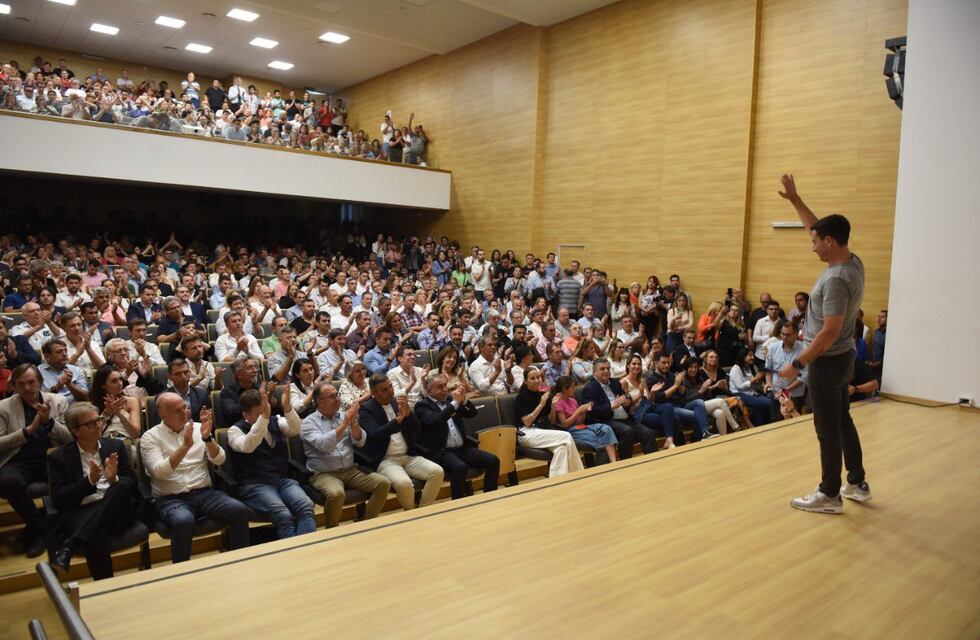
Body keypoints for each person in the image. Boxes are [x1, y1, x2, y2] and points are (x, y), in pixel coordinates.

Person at [777, 174, 869, 514]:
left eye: (815, 241)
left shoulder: (835, 280)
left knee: (827, 428)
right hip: (842, 357)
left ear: (830, 242)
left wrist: (798, 362)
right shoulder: (851, 261)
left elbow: (828, 331)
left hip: (827, 361)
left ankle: (829, 493)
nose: (811, 244)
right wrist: (795, 200)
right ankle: (856, 482)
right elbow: (816, 227)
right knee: (842, 419)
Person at [140, 393, 249, 562]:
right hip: (171, 498)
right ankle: (181, 572)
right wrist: (185, 446)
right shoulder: (150, 437)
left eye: (185, 407)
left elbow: (220, 459)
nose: (185, 413)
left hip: (204, 493)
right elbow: (158, 472)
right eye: (178, 411)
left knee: (239, 510)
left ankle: (240, 561)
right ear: (163, 415)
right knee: (183, 521)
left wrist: (207, 438)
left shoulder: (198, 428)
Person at [46, 402, 139, 578]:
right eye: (91, 423)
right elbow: (58, 498)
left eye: (99, 420)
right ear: (75, 430)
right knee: (96, 534)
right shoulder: (59, 458)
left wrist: (114, 479)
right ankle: (106, 589)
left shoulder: (115, 446)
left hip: (118, 510)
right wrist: (89, 482)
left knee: (118, 490)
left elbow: (132, 483)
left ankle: (69, 546)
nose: (99, 425)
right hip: (83, 512)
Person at [0, 364, 72, 557]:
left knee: (70, 476)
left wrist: (49, 422)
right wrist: (27, 431)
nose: (27, 387)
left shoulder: (58, 402)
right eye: (21, 384)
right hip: (19, 459)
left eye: (31, 382)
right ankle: (40, 528)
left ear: (40, 382)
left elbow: (70, 438)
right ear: (14, 386)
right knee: (7, 481)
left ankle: (36, 529)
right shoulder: (4, 407)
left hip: (51, 457)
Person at [227, 384, 315, 539]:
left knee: (306, 507)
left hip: (281, 480)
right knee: (283, 515)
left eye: (265, 410)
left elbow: (295, 429)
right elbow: (248, 446)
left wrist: (287, 408)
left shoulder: (275, 420)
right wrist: (265, 418)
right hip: (255, 485)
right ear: (245, 415)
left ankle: (306, 552)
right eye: (259, 413)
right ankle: (298, 556)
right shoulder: (234, 431)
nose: (265, 414)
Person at [302, 381, 391, 528]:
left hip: (350, 470)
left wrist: (353, 422)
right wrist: (345, 424)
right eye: (332, 397)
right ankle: (331, 530)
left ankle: (366, 524)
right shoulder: (308, 423)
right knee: (336, 494)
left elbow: (361, 442)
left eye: (337, 395)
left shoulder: (344, 416)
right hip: (324, 473)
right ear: (320, 401)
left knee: (383, 483)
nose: (337, 399)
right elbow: (323, 445)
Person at [357, 374, 444, 510]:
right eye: (384, 390)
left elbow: (417, 428)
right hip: (385, 460)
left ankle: (424, 510)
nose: (390, 391)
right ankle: (411, 514)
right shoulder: (366, 409)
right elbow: (374, 434)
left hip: (408, 456)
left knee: (437, 472)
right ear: (374, 393)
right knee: (404, 484)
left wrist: (408, 413)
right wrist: (398, 420)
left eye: (390, 386)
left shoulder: (397, 402)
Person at [412, 374, 499, 500]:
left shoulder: (449, 400)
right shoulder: (422, 406)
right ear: (429, 390)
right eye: (440, 387)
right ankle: (457, 502)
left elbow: (472, 413)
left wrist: (463, 399)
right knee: (460, 467)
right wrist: (454, 404)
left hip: (462, 448)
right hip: (441, 451)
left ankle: (490, 497)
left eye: (445, 386)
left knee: (493, 460)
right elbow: (435, 421)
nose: (445, 390)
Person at [512, 369, 585, 477]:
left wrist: (553, 406)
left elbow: (551, 420)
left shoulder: (543, 395)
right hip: (525, 433)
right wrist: (541, 404)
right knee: (566, 436)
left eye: (538, 377)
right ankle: (579, 474)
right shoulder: (521, 397)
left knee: (561, 449)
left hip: (542, 431)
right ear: (526, 381)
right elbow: (527, 422)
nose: (537, 380)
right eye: (532, 378)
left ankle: (557, 481)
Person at [582, 358, 658, 458]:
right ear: (595, 371)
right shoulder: (590, 388)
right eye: (602, 369)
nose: (606, 371)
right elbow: (591, 412)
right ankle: (625, 464)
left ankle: (653, 462)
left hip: (625, 418)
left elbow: (625, 398)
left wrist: (627, 402)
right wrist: (611, 406)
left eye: (608, 368)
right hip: (606, 421)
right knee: (627, 431)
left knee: (649, 433)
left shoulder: (614, 382)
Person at [550, 376, 619, 464]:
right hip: (570, 431)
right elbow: (565, 424)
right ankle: (601, 469)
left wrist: (583, 412)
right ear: (564, 389)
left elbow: (580, 422)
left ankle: (614, 462)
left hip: (581, 427)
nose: (574, 390)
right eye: (572, 388)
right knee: (601, 440)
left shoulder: (572, 400)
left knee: (606, 429)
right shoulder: (558, 402)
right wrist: (578, 411)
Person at [89, 365, 142, 438]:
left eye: (120, 379)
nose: (120, 383)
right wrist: (107, 412)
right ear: (103, 385)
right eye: (114, 381)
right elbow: (93, 436)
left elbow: (136, 434)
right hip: (104, 443)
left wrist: (120, 414)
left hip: (127, 443)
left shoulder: (131, 401)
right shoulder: (93, 405)